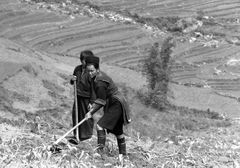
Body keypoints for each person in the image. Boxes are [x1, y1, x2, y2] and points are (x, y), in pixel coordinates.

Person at [84, 55, 131, 156]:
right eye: (88, 71)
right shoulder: (95, 77)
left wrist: (90, 113)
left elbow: (101, 101)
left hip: (116, 103)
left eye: (92, 70)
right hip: (115, 102)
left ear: (97, 69)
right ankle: (123, 155)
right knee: (118, 131)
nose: (90, 73)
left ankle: (100, 153)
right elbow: (95, 93)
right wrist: (92, 103)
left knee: (100, 126)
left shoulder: (100, 81)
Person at [69, 50, 95, 144]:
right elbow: (73, 81)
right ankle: (77, 134)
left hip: (87, 97)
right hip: (78, 95)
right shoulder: (77, 69)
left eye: (86, 60)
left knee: (86, 115)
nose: (84, 62)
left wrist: (92, 102)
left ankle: (86, 136)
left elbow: (94, 88)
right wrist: (72, 79)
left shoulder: (92, 71)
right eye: (83, 60)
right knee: (76, 114)